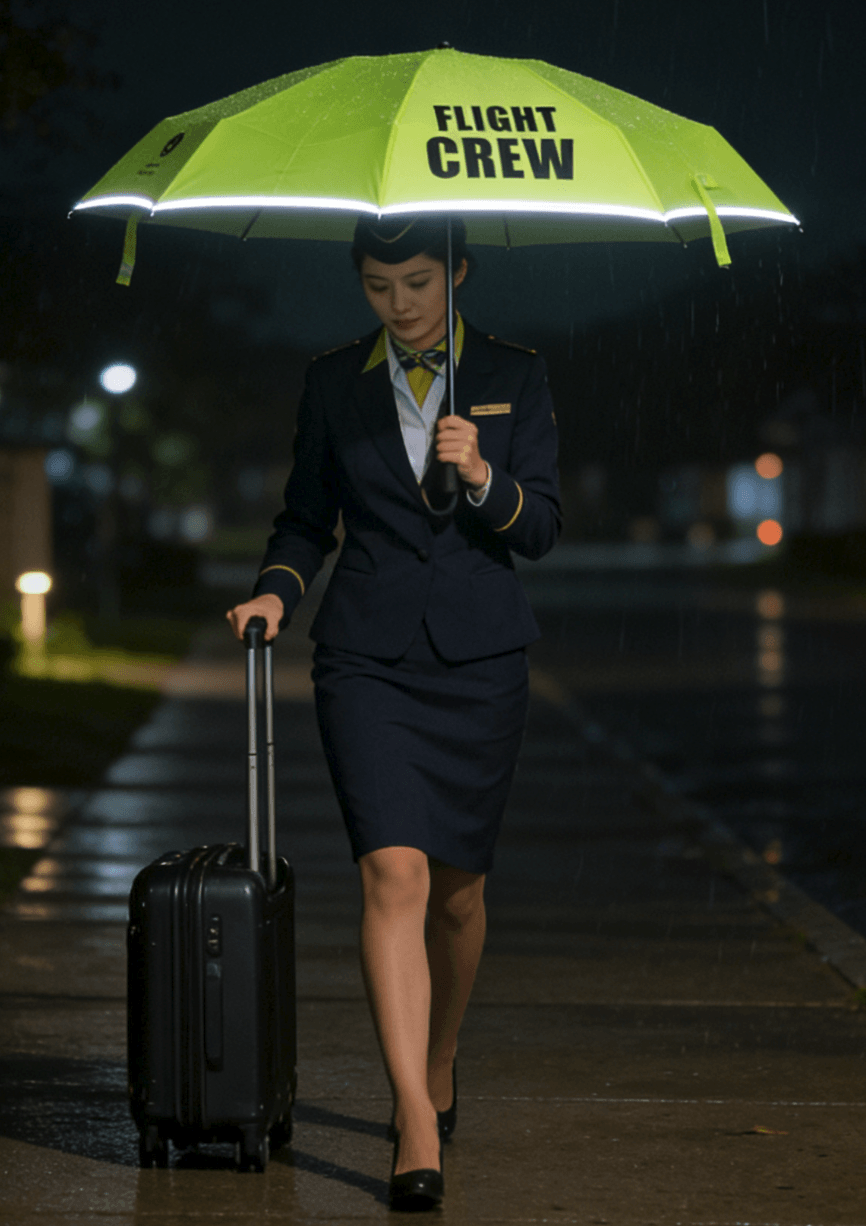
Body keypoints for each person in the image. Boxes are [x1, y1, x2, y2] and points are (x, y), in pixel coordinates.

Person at [227, 215, 560, 1210]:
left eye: (418, 280)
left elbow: (540, 525)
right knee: (393, 871)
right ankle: (413, 1111)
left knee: (457, 891)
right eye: (379, 285)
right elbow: (303, 513)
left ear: (457, 272)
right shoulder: (333, 379)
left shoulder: (515, 371)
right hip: (364, 656)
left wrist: (482, 476)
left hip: (481, 657)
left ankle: (442, 1048)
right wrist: (276, 591)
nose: (401, 303)